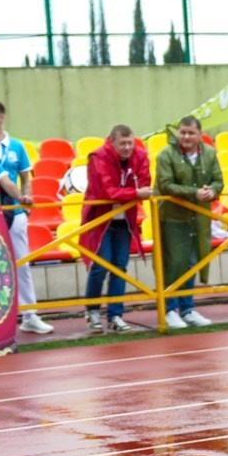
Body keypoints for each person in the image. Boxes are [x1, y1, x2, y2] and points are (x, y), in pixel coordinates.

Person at [0, 100, 50, 334]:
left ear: (1, 117)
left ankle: (29, 315)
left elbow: (25, 177)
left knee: (22, 264)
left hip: (15, 213)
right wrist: (21, 196)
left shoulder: (17, 147)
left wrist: (26, 201)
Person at [152, 114, 220, 327]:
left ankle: (187, 308)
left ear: (200, 135)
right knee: (174, 263)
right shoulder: (166, 154)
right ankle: (169, 309)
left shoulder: (209, 153)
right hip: (172, 217)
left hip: (199, 218)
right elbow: (166, 185)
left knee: (191, 263)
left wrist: (213, 191)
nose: (186, 137)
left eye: (191, 133)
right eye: (183, 132)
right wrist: (194, 193)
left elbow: (218, 179)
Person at [82, 123, 152, 332]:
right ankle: (92, 312)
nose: (127, 148)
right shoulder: (98, 157)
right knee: (100, 266)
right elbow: (106, 191)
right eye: (122, 144)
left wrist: (134, 192)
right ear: (112, 143)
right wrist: (134, 193)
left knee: (120, 267)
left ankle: (115, 315)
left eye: (130, 143)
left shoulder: (140, 155)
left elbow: (146, 183)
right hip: (101, 220)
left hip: (124, 221)